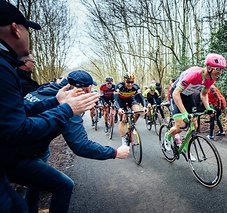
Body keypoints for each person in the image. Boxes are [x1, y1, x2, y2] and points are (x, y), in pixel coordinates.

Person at [0, 1, 99, 212]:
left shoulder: (44, 86)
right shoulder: (4, 66)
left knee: (39, 180)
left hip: (19, 152)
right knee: (61, 184)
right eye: (28, 30)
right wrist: (67, 109)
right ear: (16, 29)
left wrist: (56, 101)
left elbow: (17, 110)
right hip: (17, 153)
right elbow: (17, 129)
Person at [23, 70, 130, 212]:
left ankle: (31, 208)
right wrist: (115, 152)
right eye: (90, 88)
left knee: (41, 163)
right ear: (84, 89)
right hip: (18, 151)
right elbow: (80, 145)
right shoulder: (70, 103)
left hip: (28, 142)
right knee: (64, 185)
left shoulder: (46, 88)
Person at [164, 53, 227, 154]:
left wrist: (208, 107)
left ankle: (185, 148)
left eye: (222, 70)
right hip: (177, 94)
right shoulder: (194, 75)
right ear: (209, 68)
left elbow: (204, 94)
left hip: (189, 95)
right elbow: (176, 93)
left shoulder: (211, 79)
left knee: (194, 125)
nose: (220, 73)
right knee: (180, 126)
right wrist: (184, 113)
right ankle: (168, 135)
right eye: (218, 69)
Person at [114, 72, 147, 145]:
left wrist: (144, 106)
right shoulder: (119, 86)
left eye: (132, 82)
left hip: (130, 99)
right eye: (128, 82)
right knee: (123, 120)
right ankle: (123, 141)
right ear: (124, 81)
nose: (130, 84)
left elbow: (141, 98)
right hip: (121, 101)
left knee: (138, 112)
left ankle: (132, 126)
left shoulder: (136, 87)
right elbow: (115, 100)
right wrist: (119, 109)